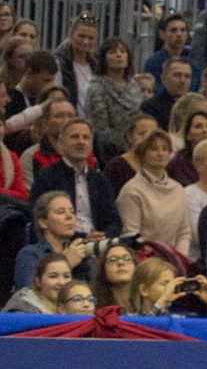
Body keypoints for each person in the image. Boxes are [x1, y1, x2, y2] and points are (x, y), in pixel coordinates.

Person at [30, 117, 120, 238]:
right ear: (60, 144)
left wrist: (103, 236)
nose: (81, 142)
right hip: (63, 244)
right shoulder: (46, 178)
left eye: (86, 137)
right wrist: (84, 238)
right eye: (74, 137)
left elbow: (114, 221)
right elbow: (40, 219)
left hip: (99, 244)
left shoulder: (101, 180)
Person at [116, 129, 190, 257]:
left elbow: (184, 232)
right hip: (145, 261)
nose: (161, 153)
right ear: (142, 153)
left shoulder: (178, 189)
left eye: (165, 149)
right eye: (154, 149)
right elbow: (131, 236)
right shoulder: (132, 191)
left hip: (175, 260)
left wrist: (179, 259)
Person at [14, 192, 88, 288]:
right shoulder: (30, 254)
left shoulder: (81, 255)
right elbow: (28, 295)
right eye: (60, 212)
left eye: (72, 211)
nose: (70, 216)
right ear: (43, 222)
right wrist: (66, 263)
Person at [85, 36, 141, 158]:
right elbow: (100, 130)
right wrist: (128, 144)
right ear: (103, 59)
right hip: (109, 153)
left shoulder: (134, 86)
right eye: (112, 52)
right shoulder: (97, 88)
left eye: (122, 51)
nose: (119, 55)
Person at [3, 251, 70, 312]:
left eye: (66, 276)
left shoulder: (77, 307)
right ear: (38, 282)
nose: (61, 282)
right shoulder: (22, 310)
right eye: (53, 276)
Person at [89, 237, 135, 308]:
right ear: (103, 269)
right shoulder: (93, 304)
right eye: (113, 259)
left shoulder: (147, 302)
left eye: (126, 258)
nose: (121, 262)